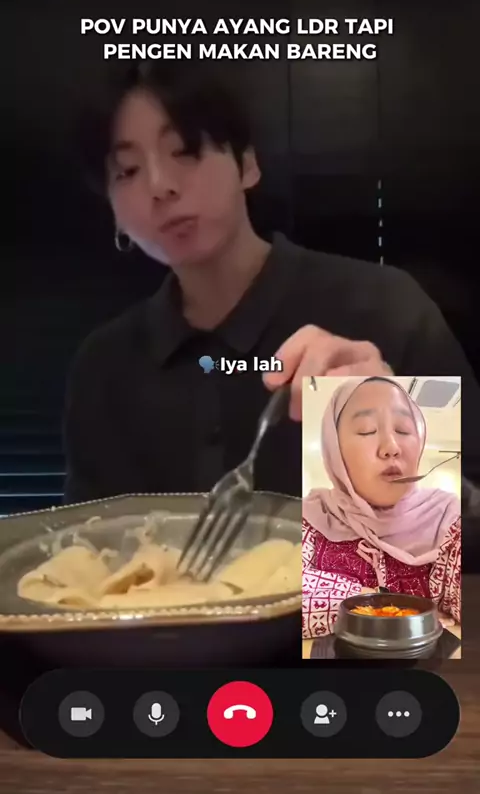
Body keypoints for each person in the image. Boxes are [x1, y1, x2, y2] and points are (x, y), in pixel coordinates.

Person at [64, 59, 480, 525]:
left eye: (186, 151)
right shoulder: (103, 369)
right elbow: (90, 546)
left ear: (247, 164)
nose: (160, 186)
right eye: (127, 171)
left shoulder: (385, 310)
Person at [302, 377, 461, 639]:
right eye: (366, 430)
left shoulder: (449, 518)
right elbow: (272, 596)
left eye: (404, 430)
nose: (391, 448)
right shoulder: (311, 517)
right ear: (335, 448)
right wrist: (376, 602)